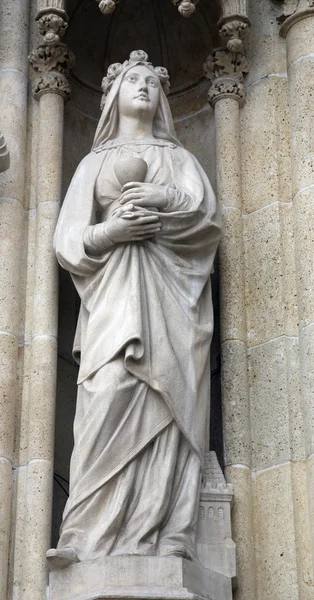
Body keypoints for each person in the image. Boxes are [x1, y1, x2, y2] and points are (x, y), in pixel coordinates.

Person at [48, 50, 221, 569]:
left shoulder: (183, 161)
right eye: (132, 80)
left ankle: (168, 533)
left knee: (169, 408)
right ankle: (85, 536)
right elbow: (69, 239)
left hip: (173, 302)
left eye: (151, 81)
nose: (143, 87)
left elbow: (207, 222)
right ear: (113, 97)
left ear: (163, 98)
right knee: (110, 392)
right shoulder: (93, 163)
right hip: (112, 300)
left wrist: (162, 199)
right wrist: (113, 231)